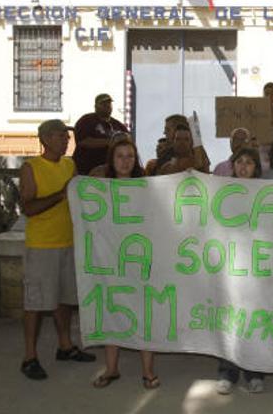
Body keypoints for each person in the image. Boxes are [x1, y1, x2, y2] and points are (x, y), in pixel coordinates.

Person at [18, 119, 96, 380]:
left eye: (67, 136)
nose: (66, 140)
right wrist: (60, 195)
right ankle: (29, 356)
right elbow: (28, 208)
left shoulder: (69, 164)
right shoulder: (31, 168)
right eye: (61, 136)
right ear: (46, 139)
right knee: (36, 303)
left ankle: (66, 346)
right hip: (42, 245)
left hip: (69, 242)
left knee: (64, 299)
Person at [91, 139, 160, 389]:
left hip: (139, 262)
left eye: (130, 156)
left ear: (136, 159)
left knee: (143, 316)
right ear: (112, 159)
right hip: (109, 262)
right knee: (111, 312)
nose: (125, 161)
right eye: (120, 156)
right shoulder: (99, 188)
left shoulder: (147, 188)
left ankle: (148, 371)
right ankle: (111, 369)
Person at [215, 146, 267, 394]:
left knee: (255, 319)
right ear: (233, 166)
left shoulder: (267, 193)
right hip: (230, 265)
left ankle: (255, 371)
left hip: (257, 266)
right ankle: (228, 371)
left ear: (256, 167)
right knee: (230, 320)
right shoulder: (222, 192)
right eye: (239, 162)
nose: (244, 166)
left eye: (249, 162)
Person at [72, 93, 129, 175]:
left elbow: (128, 142)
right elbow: (83, 141)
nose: (107, 105)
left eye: (109, 103)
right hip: (86, 170)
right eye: (103, 103)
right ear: (95, 106)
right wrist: (111, 142)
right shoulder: (86, 120)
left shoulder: (118, 125)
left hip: (111, 173)